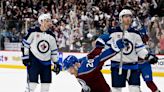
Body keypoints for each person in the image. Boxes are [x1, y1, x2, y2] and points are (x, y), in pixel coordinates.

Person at [87, 9, 158, 92]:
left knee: (135, 89)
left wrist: (147, 56)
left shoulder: (135, 33)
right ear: (121, 18)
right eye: (126, 16)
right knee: (116, 89)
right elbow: (105, 46)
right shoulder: (112, 32)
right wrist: (99, 44)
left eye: (130, 17)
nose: (128, 18)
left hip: (133, 66)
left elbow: (140, 49)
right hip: (117, 66)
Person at [21, 13, 61, 92]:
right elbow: (25, 45)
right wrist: (25, 57)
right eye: (47, 21)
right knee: (32, 85)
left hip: (46, 64)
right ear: (41, 21)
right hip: (34, 62)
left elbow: (54, 51)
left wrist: (56, 63)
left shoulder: (51, 36)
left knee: (46, 87)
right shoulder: (32, 32)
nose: (49, 22)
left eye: (49, 21)